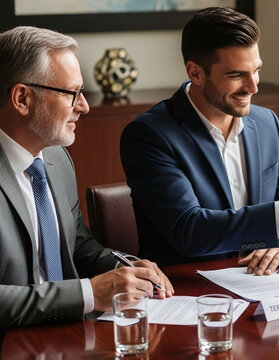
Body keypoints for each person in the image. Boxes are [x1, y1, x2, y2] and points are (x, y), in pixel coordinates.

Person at [120, 7, 279, 272]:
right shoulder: (150, 134)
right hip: (189, 292)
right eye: (236, 75)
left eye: (256, 70)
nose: (253, 86)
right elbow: (190, 232)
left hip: (268, 284)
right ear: (196, 72)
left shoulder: (267, 123)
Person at [0, 26, 174, 334]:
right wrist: (89, 293)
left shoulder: (56, 158)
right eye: (72, 94)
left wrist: (124, 268)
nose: (84, 106)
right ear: (22, 98)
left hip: (71, 335)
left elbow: (78, 242)